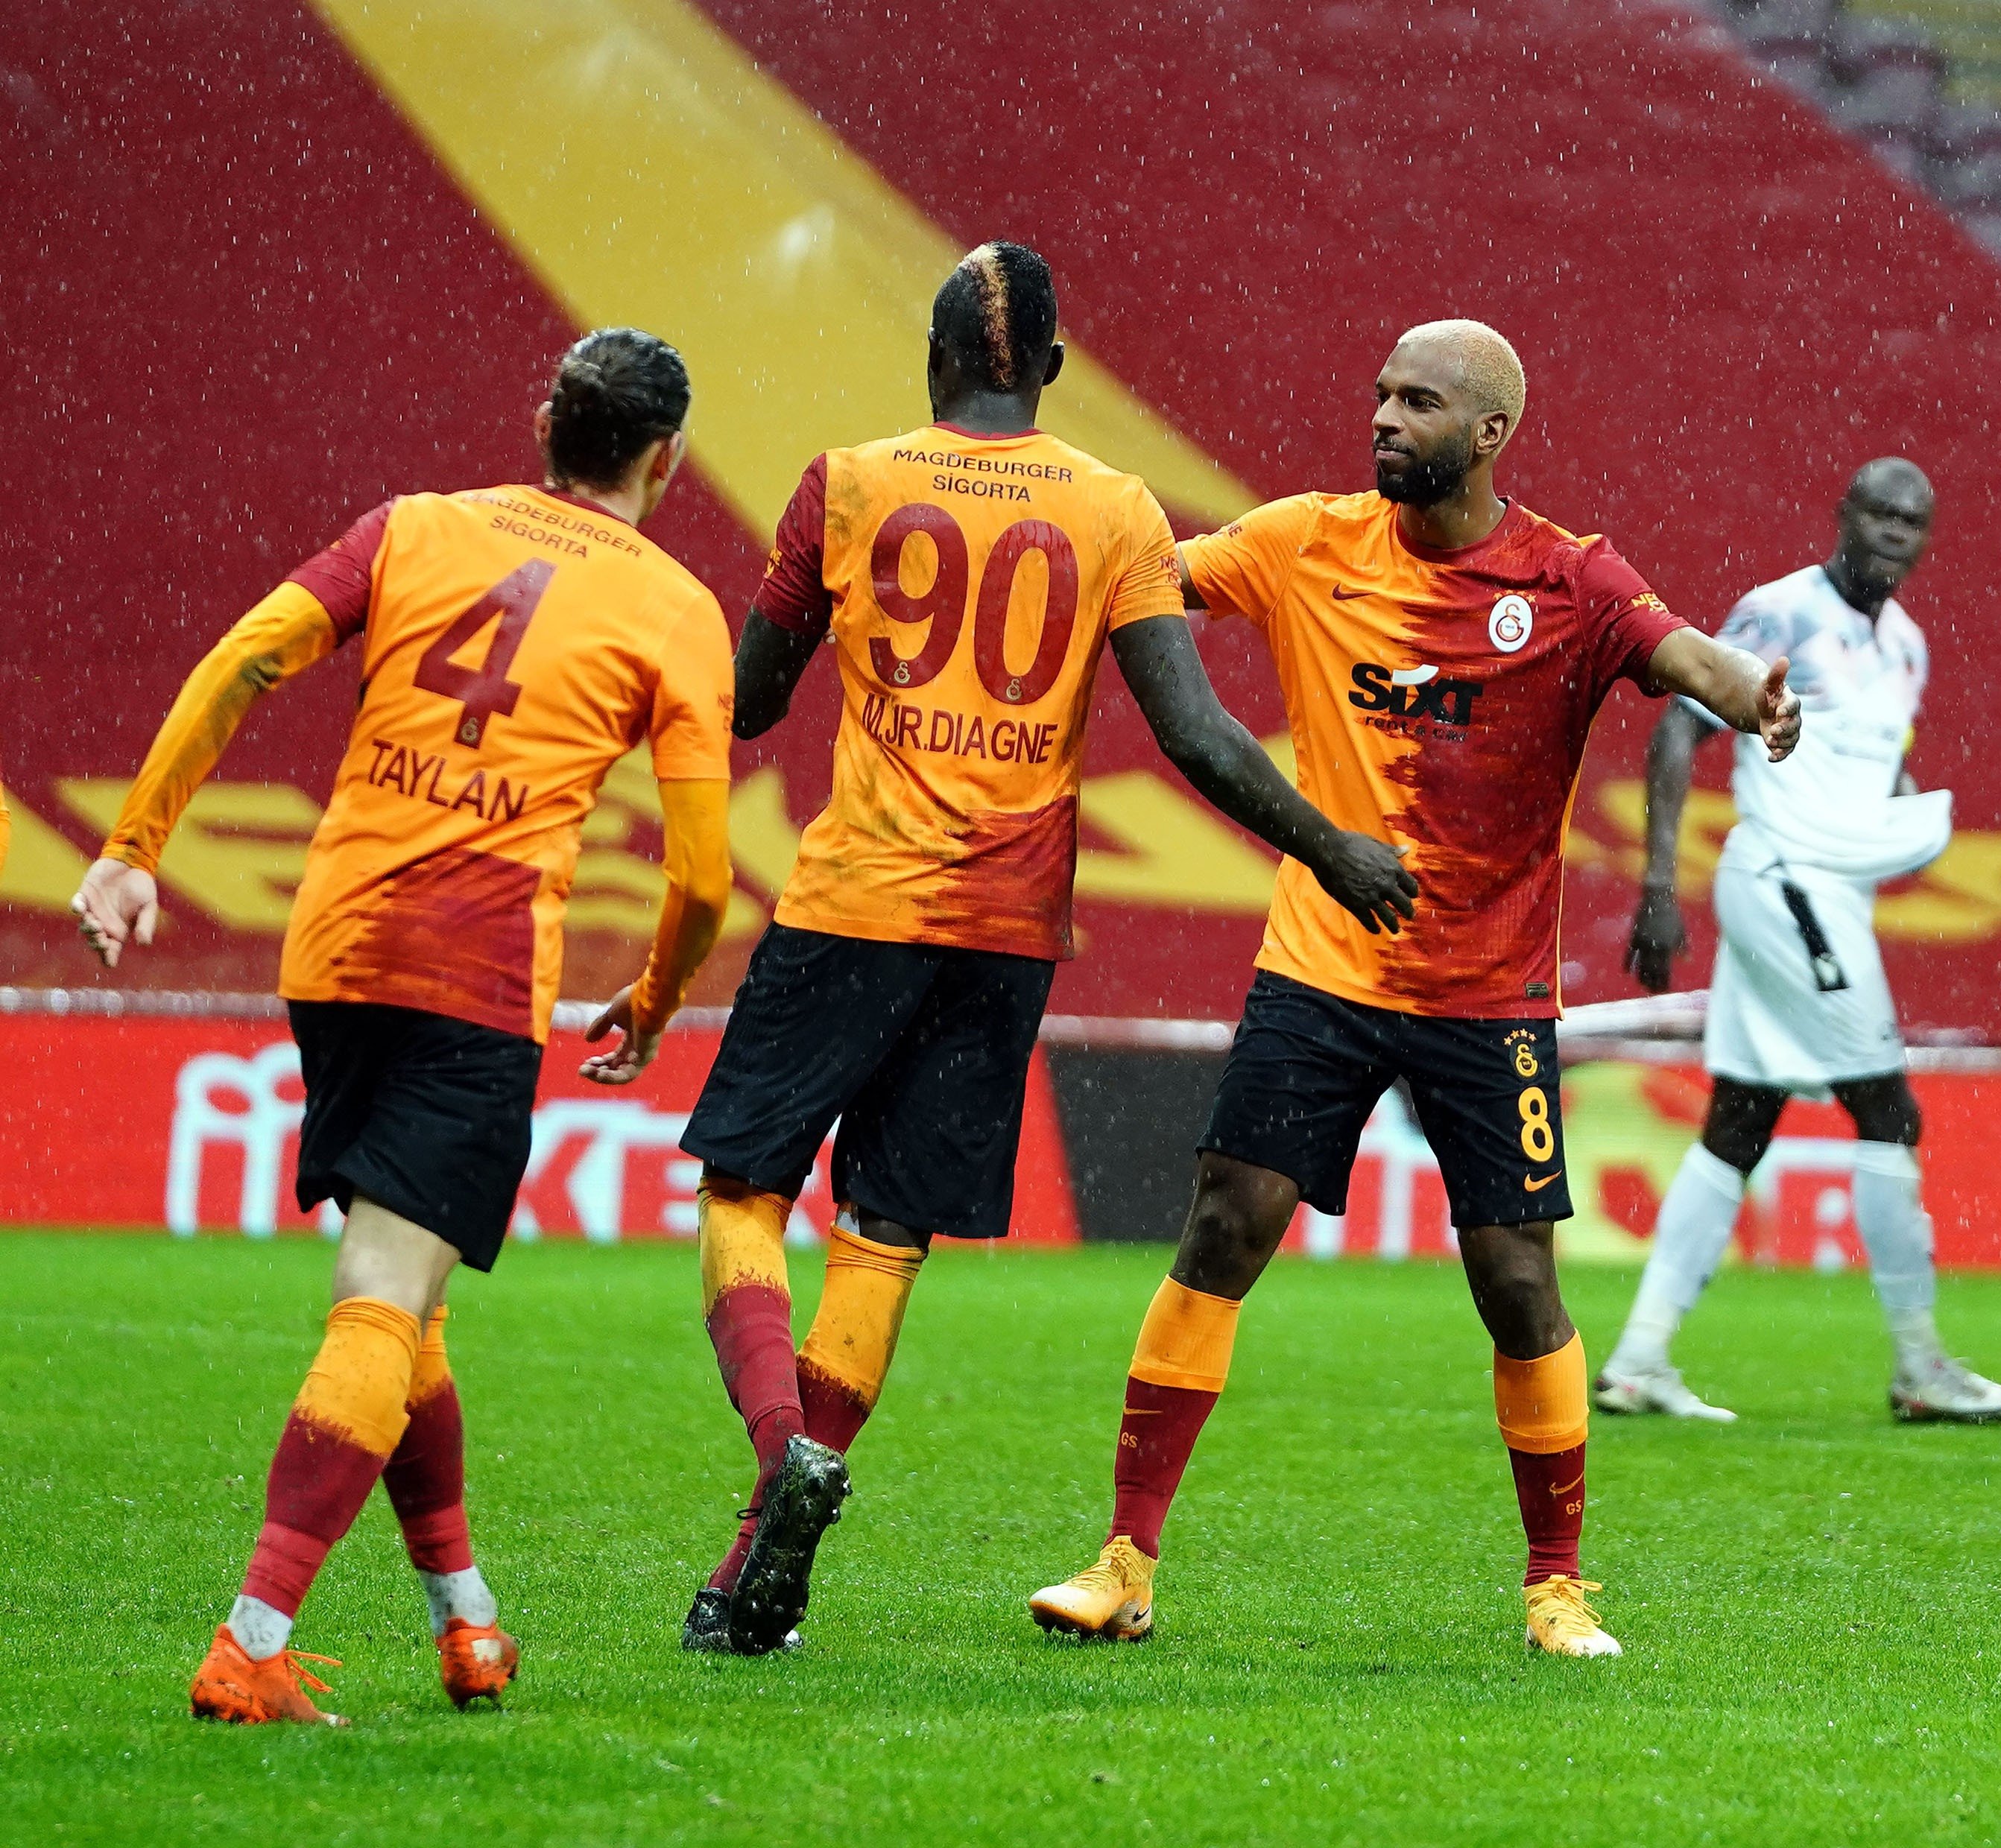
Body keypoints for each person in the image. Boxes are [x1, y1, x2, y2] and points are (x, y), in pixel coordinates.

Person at [674, 241, 1417, 1657]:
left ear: (935, 363)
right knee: (884, 1233)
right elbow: (1197, 735)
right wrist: (1332, 845)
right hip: (1005, 935)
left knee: (745, 1188)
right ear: (1055, 372)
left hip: (853, 903)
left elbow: (756, 701)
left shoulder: (848, 479)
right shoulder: (1117, 507)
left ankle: (783, 1461)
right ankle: (756, 1556)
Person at [1026, 319, 1801, 1660]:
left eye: (1419, 402)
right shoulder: (1302, 542)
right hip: (1320, 969)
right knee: (1225, 1227)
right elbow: (1152, 583)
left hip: (1489, 991)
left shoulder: (1568, 578)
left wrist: (1754, 694)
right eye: (1380, 392)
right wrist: (1056, 526)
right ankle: (1124, 1560)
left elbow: (1684, 653)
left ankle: (1555, 1585)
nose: (1383, 418)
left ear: (1488, 434)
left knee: (1513, 1279)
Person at [71, 329, 737, 1724]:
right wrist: (662, 997)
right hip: (471, 975)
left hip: (332, 948)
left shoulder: (415, 526)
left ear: (547, 418)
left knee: (406, 1299)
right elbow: (703, 873)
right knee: (384, 1292)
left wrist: (135, 846)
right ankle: (253, 1638)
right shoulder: (676, 608)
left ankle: (464, 1617)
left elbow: (251, 656)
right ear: (664, 458)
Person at [1595, 460, 2001, 1425]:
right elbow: (1678, 734)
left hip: (1830, 890)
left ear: (1926, 538)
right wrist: (1658, 889)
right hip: (1789, 880)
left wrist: (1907, 813)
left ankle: (1637, 1363)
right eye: (1878, 511)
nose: (1894, 531)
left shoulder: (1907, 646)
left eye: (1913, 520)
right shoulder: (1779, 612)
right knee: (1889, 1110)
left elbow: (1876, 754)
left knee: (1740, 1123)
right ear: (1844, 515)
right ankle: (1922, 1365)